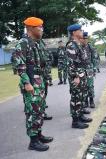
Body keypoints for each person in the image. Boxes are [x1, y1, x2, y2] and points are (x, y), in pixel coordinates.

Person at [12, 17, 53, 151]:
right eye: (39, 27)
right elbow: (19, 64)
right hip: (30, 82)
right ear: (30, 28)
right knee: (32, 112)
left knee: (40, 110)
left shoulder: (36, 43)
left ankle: (39, 134)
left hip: (39, 81)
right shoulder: (23, 43)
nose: (42, 29)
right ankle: (33, 141)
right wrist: (26, 82)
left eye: (42, 27)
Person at [66, 24, 92, 129]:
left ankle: (80, 115)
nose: (81, 31)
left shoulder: (78, 44)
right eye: (79, 30)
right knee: (76, 97)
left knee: (81, 96)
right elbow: (71, 63)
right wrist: (75, 76)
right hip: (76, 76)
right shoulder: (71, 45)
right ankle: (75, 121)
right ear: (74, 33)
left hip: (82, 74)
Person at [80, 32, 97, 108]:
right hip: (81, 69)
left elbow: (94, 58)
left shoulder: (90, 47)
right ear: (81, 39)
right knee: (83, 86)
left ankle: (91, 100)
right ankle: (85, 101)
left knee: (90, 85)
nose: (85, 40)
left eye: (86, 39)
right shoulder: (78, 47)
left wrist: (94, 68)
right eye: (84, 39)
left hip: (89, 68)